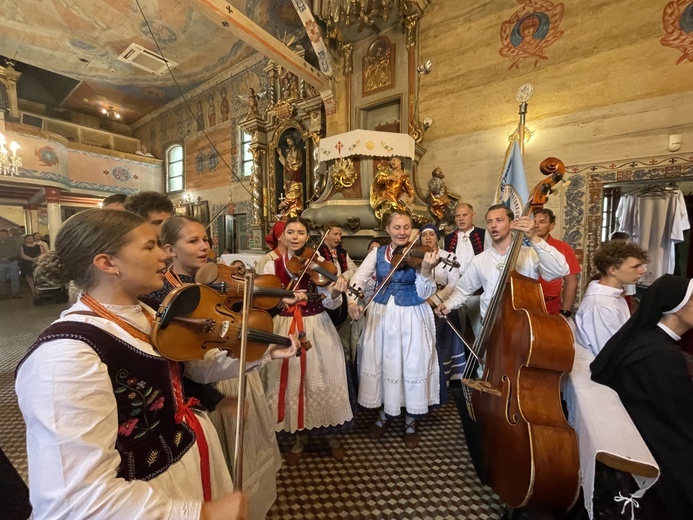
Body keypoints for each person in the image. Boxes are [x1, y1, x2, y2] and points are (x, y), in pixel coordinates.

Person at [16, 209, 302, 518]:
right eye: (149, 246)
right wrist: (200, 515)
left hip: (185, 465)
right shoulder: (66, 356)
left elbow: (191, 369)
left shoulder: (146, 312)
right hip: (145, 496)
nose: (164, 256)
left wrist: (258, 354)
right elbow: (75, 498)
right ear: (107, 263)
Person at [145, 216, 298, 520]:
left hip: (240, 372)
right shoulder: (162, 295)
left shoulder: (222, 280)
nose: (204, 247)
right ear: (170, 250)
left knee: (251, 451)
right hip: (209, 390)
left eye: (207, 240)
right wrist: (214, 399)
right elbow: (178, 366)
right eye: (193, 241)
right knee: (221, 465)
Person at [591, 274, 693, 519]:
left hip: (645, 434)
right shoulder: (660, 356)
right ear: (677, 307)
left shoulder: (644, 341)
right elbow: (684, 418)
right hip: (660, 450)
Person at [261, 217, 353, 465]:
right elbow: (267, 300)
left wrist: (334, 292)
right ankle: (298, 438)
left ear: (307, 237)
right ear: (282, 236)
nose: (294, 237)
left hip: (317, 325)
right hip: (286, 325)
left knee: (320, 378)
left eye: (300, 232)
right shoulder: (273, 266)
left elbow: (329, 302)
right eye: (290, 232)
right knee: (292, 379)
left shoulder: (320, 264)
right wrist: (284, 299)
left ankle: (331, 436)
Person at [348, 211, 440, 449]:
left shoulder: (421, 254)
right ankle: (385, 413)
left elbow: (425, 292)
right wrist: (353, 302)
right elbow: (359, 278)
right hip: (381, 314)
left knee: (410, 364)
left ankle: (410, 420)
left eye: (407, 227)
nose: (402, 232)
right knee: (384, 364)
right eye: (397, 227)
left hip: (411, 315)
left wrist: (428, 270)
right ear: (387, 229)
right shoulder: (377, 253)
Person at [437, 204, 568, 322]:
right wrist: (447, 304)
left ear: (511, 224)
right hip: (490, 327)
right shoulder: (479, 260)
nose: (493, 225)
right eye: (489, 222)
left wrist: (534, 238)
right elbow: (463, 290)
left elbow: (559, 271)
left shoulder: (530, 254)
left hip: (524, 325)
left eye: (499, 220)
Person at [574, 240, 648, 356]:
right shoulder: (601, 305)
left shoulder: (615, 298)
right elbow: (608, 351)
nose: (643, 271)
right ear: (613, 270)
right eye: (636, 267)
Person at [419, 224, 464, 403]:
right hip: (421, 305)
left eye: (432, 234)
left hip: (442, 306)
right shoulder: (415, 256)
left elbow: (453, 284)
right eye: (424, 235)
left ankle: (443, 381)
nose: (428, 238)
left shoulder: (449, 257)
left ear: (437, 237)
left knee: (442, 343)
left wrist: (435, 300)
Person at [532, 208, 581, 317]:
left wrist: (565, 310)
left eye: (542, 222)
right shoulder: (521, 246)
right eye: (534, 221)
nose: (536, 225)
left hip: (551, 306)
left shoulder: (563, 248)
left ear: (552, 226)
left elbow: (571, 281)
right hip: (524, 304)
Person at [318, 221, 357, 328]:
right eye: (335, 234)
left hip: (341, 296)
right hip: (325, 296)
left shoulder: (342, 252)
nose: (338, 238)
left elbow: (353, 269)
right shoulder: (318, 253)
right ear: (325, 234)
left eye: (340, 234)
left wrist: (344, 276)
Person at [369, 157, 415, 228]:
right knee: (390, 206)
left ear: (400, 161)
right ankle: (386, 226)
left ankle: (391, 227)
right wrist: (389, 178)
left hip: (394, 197)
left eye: (394, 160)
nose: (392, 162)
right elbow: (379, 180)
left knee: (397, 211)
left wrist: (411, 197)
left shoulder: (404, 176)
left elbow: (410, 189)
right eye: (390, 161)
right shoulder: (388, 172)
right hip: (385, 195)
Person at [0, 228, 22, 299]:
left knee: (14, 278)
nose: (3, 236)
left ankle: (15, 293)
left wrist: (9, 258)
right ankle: (3, 294)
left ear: (8, 234)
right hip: (1, 263)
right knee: (1, 279)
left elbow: (18, 251)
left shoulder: (14, 242)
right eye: (1, 235)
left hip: (13, 262)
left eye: (4, 234)